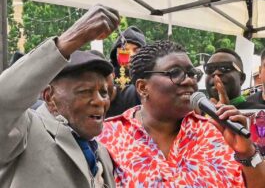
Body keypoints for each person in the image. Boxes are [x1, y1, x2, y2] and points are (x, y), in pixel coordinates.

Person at [98, 40, 265, 187]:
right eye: (175, 73)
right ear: (143, 87)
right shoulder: (108, 137)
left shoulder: (214, 132)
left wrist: (247, 152)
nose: (189, 80)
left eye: (193, 74)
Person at [0, 4, 120, 188]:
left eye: (104, 92)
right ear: (49, 97)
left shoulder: (101, 153)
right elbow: (4, 102)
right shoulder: (25, 131)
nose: (99, 101)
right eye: (84, 91)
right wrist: (70, 39)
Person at [106, 26, 146, 117]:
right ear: (116, 54)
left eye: (137, 50)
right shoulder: (106, 76)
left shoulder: (150, 78)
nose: (131, 54)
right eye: (125, 50)